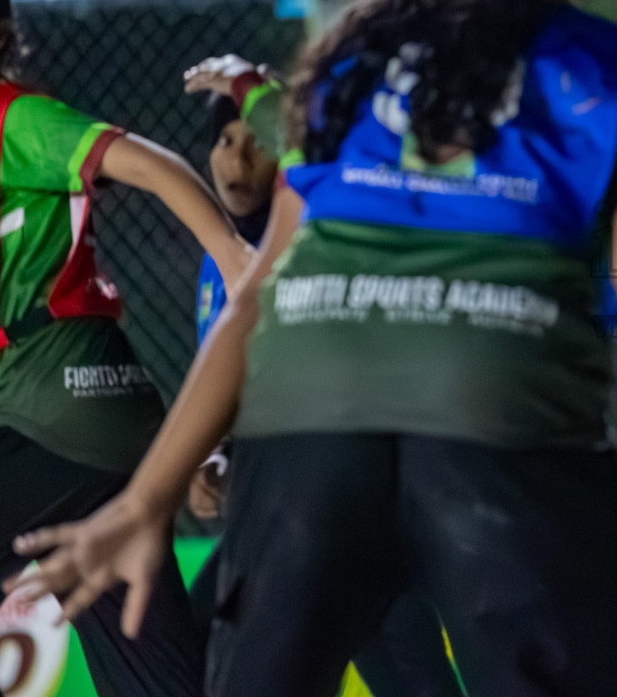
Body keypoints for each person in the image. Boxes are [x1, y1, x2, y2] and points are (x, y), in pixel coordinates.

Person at [9, 0, 617, 697]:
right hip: (498, 415)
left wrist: (148, 496)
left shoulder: (354, 50)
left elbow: (260, 290)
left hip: (308, 425)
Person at [0, 0, 250, 696]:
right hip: (107, 429)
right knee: (153, 675)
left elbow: (151, 165)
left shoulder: (13, 117)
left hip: (48, 414)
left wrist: (230, 255)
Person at [180, 58, 463, 697]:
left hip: (350, 500)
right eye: (224, 142)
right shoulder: (216, 258)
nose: (237, 160)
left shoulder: (320, 233)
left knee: (402, 660)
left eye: (256, 143)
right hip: (278, 511)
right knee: (188, 642)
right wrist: (213, 455)